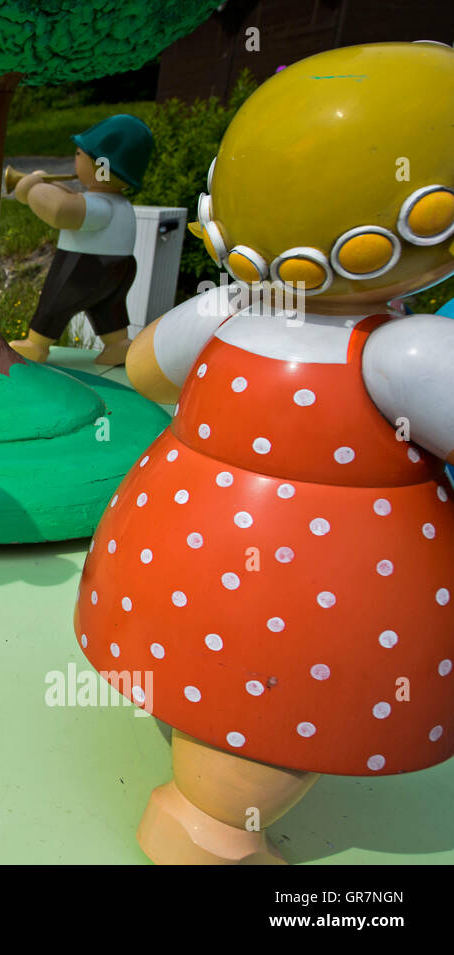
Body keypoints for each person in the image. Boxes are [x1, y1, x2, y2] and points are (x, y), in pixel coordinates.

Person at [75, 42, 454, 863]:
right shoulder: (407, 352)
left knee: (212, 660)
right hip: (321, 582)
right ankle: (204, 827)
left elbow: (143, 368)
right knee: (283, 707)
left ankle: (195, 729)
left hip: (181, 533)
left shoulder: (221, 312)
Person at [8, 114, 153, 367]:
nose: (75, 160)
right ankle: (117, 344)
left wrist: (32, 188)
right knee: (108, 308)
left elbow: (60, 211)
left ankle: (37, 344)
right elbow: (73, 197)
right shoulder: (120, 204)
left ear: (103, 166)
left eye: (79, 155)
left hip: (83, 267)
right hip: (120, 269)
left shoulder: (101, 206)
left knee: (55, 302)